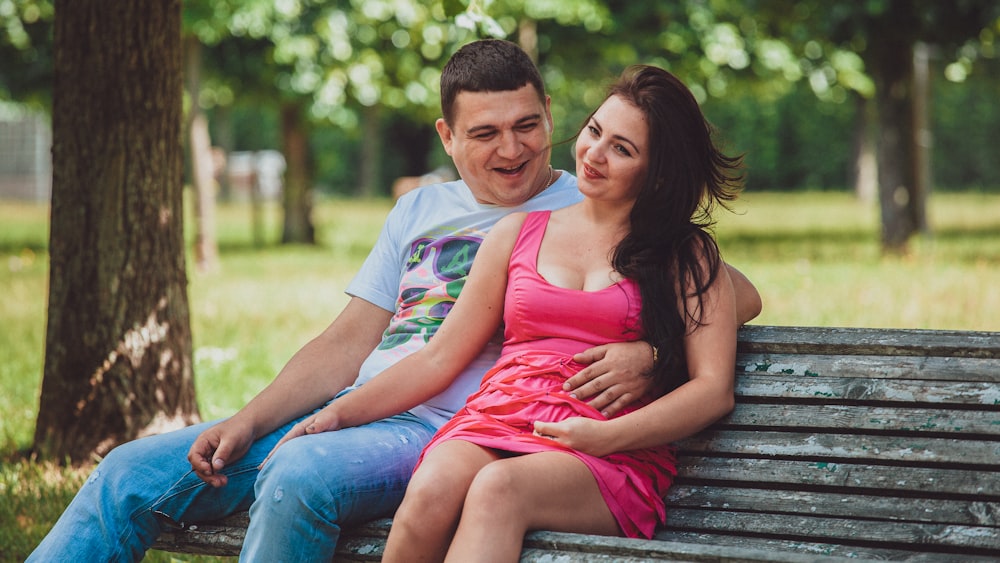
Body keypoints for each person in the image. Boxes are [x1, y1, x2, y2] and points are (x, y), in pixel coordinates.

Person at [28, 40, 759, 562]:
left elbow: (721, 292)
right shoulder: (421, 212)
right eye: (485, 133)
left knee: (299, 477)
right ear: (447, 137)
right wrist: (253, 420)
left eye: (528, 125)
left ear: (547, 114)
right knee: (129, 472)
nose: (514, 149)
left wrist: (655, 352)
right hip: (365, 409)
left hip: (453, 429)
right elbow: (347, 340)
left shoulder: (591, 201)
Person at [298, 63, 748, 562]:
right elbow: (437, 358)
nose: (594, 155)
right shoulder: (517, 233)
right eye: (595, 131)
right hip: (499, 417)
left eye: (622, 148)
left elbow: (712, 390)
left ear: (658, 172)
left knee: (498, 489)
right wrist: (336, 413)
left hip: (607, 446)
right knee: (430, 491)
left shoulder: (683, 254)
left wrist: (607, 433)